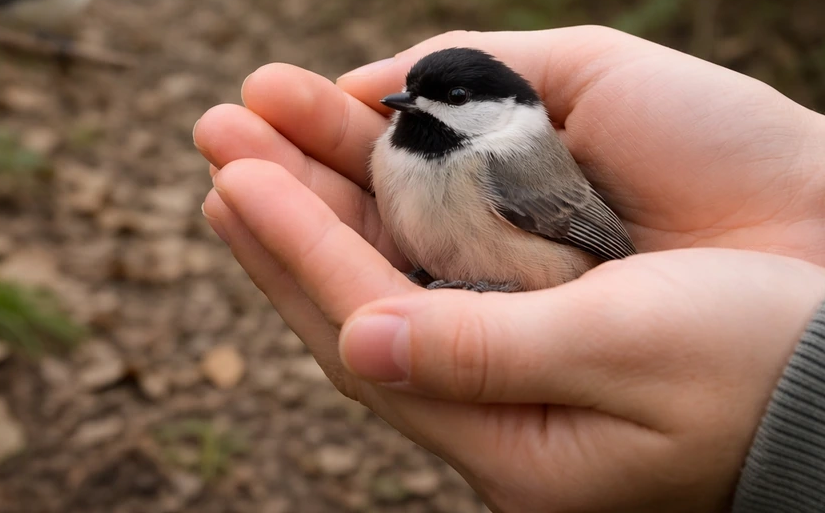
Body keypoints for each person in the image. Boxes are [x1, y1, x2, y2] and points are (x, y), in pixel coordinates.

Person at [193, 26, 825, 513]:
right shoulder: (393, 145)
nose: (413, 106)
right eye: (413, 96)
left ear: (502, 109)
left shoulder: (507, 161)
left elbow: (590, 237)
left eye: (455, 99)